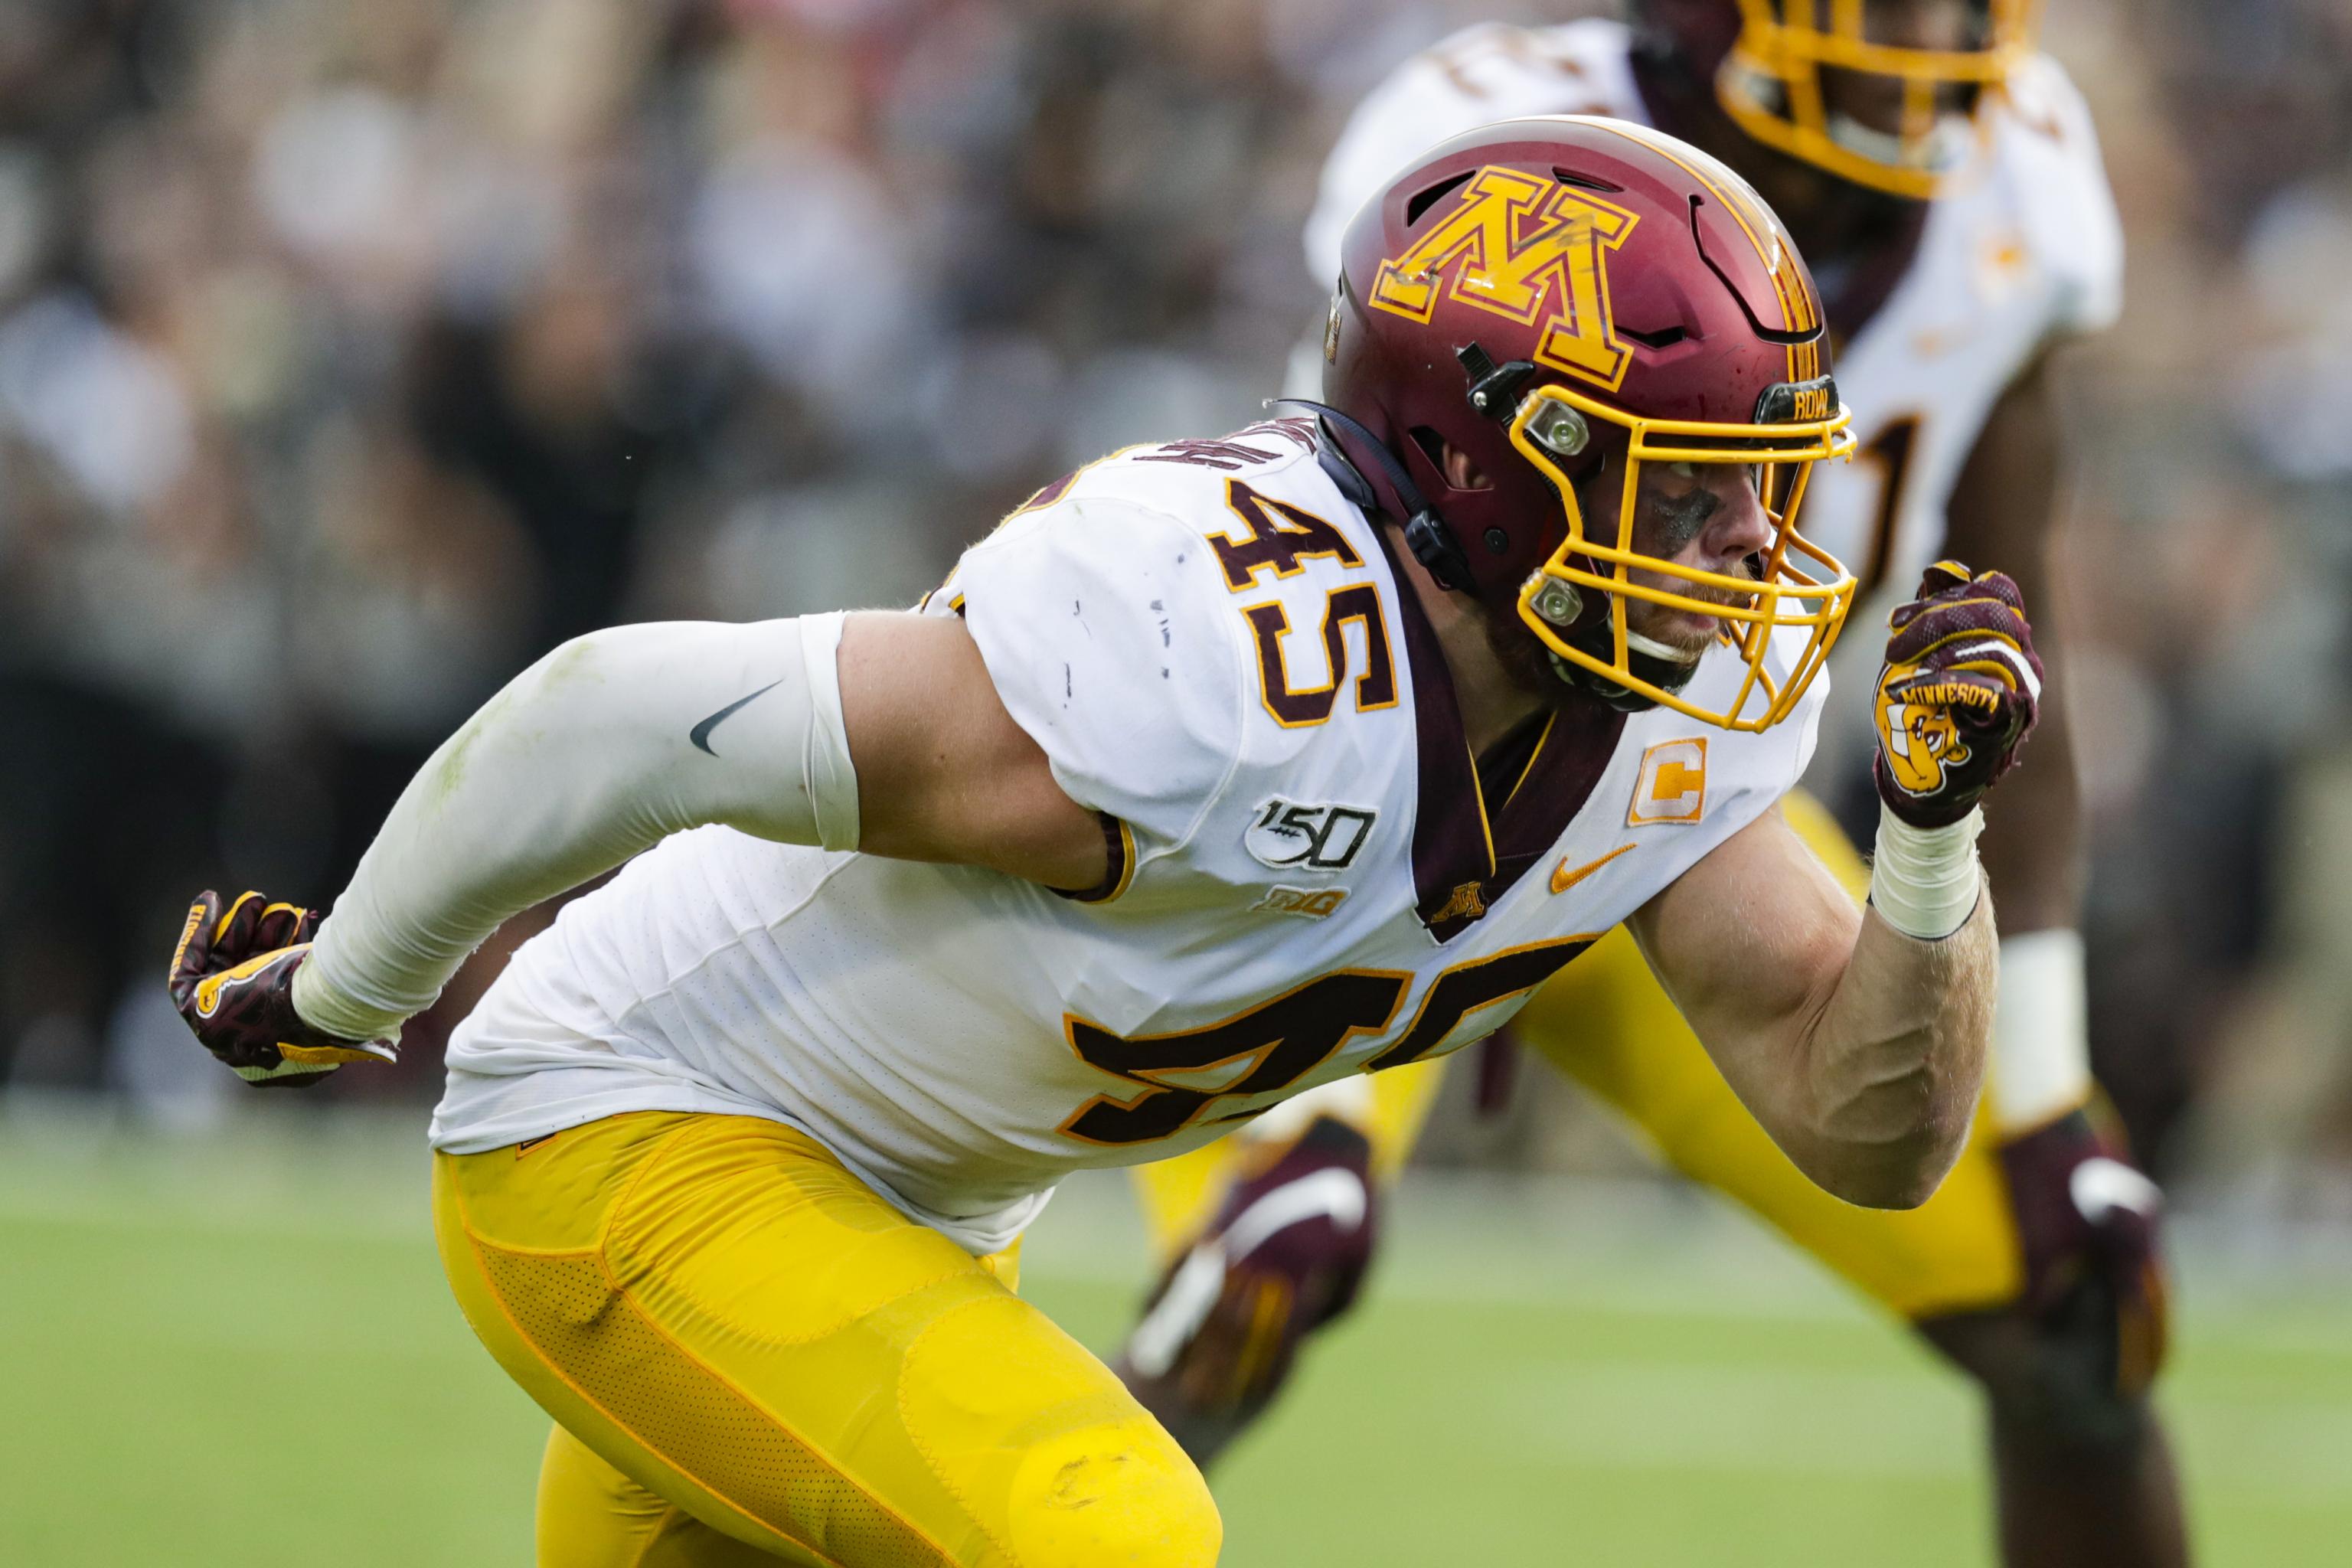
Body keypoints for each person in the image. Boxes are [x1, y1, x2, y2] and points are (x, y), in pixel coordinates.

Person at [169, 117, 2038, 1568]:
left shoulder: (1668, 716)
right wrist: (350, 984)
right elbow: (620, 714)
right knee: (1107, 1521)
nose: (1744, 558)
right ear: (1490, 458)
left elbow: (1861, 1125)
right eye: (1691, 489)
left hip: (893, 1224)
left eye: (1759, 492)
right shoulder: (1215, 658)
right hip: (634, 1140)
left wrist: (1932, 842)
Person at [1116, 5, 2182, 1566]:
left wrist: (2045, 1097)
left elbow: (2012, 646)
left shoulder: (2020, 196)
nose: (1928, 38)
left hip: (1695, 815)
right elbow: (1336, 542)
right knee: (1265, 1267)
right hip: (1407, 794)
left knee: (2076, 1304)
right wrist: (1318, 1122)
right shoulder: (1495, 153)